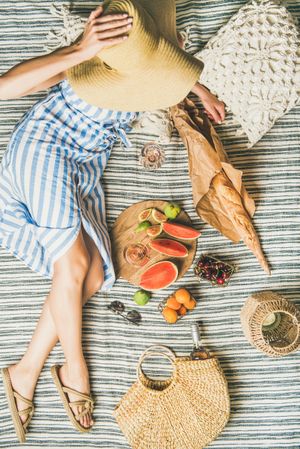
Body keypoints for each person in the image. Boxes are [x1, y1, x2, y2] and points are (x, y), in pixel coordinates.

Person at [0, 0, 225, 441]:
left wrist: (201, 91)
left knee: (98, 273)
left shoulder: (158, 55)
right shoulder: (97, 58)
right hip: (45, 147)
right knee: (72, 267)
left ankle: (25, 368)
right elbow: (4, 87)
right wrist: (81, 49)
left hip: (83, 167)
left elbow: (171, 71)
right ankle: (74, 370)